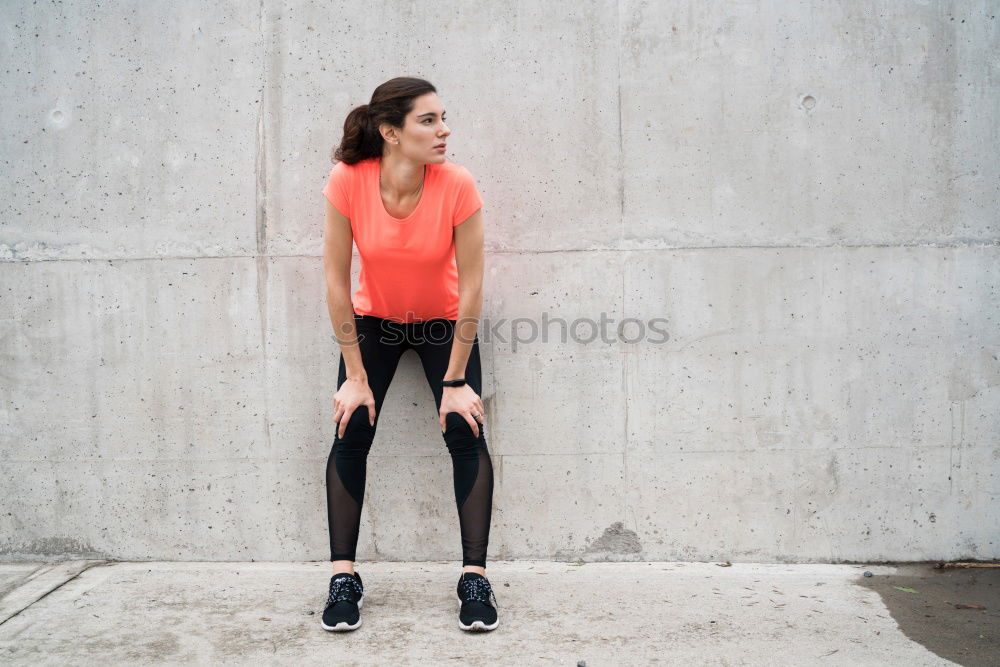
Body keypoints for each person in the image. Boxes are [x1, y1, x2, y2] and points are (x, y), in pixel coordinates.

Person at [319, 77, 498, 633]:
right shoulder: (349, 180)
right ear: (390, 133)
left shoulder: (457, 185)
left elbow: (471, 287)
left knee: (465, 432)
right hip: (373, 324)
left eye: (444, 117)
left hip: (445, 325)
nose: (444, 130)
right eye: (428, 120)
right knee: (351, 430)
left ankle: (475, 577)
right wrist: (354, 374)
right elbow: (334, 277)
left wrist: (454, 382)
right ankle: (343, 577)